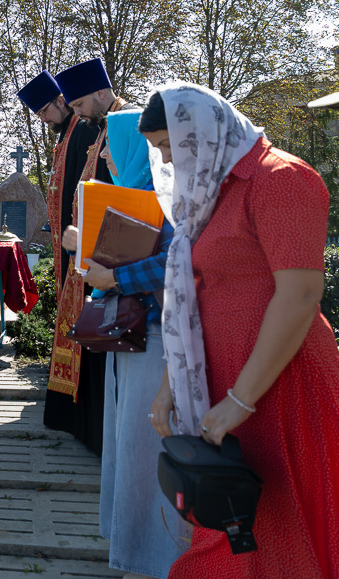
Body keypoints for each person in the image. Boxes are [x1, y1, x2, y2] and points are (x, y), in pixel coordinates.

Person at [143, 83, 339, 577]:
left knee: (285, 518)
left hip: (281, 383)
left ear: (204, 130)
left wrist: (240, 400)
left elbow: (298, 297)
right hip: (231, 383)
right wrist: (171, 386)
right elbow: (199, 297)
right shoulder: (213, 188)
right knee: (240, 525)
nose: (167, 160)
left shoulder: (281, 178)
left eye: (171, 145)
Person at [61, 110, 187, 579]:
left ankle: (156, 554)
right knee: (128, 446)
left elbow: (173, 261)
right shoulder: (129, 192)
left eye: (112, 146)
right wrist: (83, 249)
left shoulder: (167, 195)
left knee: (145, 449)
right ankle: (134, 547)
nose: (106, 155)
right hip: (132, 333)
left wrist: (112, 273)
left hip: (156, 335)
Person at [43, 57, 134, 456]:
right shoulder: (100, 131)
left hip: (114, 258)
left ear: (101, 93)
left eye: (78, 105)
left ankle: (104, 437)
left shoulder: (127, 124)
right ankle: (92, 432)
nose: (75, 113)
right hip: (90, 253)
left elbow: (131, 194)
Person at [18, 70, 107, 446]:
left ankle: (80, 411)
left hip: (87, 249)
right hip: (71, 248)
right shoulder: (67, 136)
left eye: (45, 111)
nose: (44, 118)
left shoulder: (87, 131)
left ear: (61, 101)